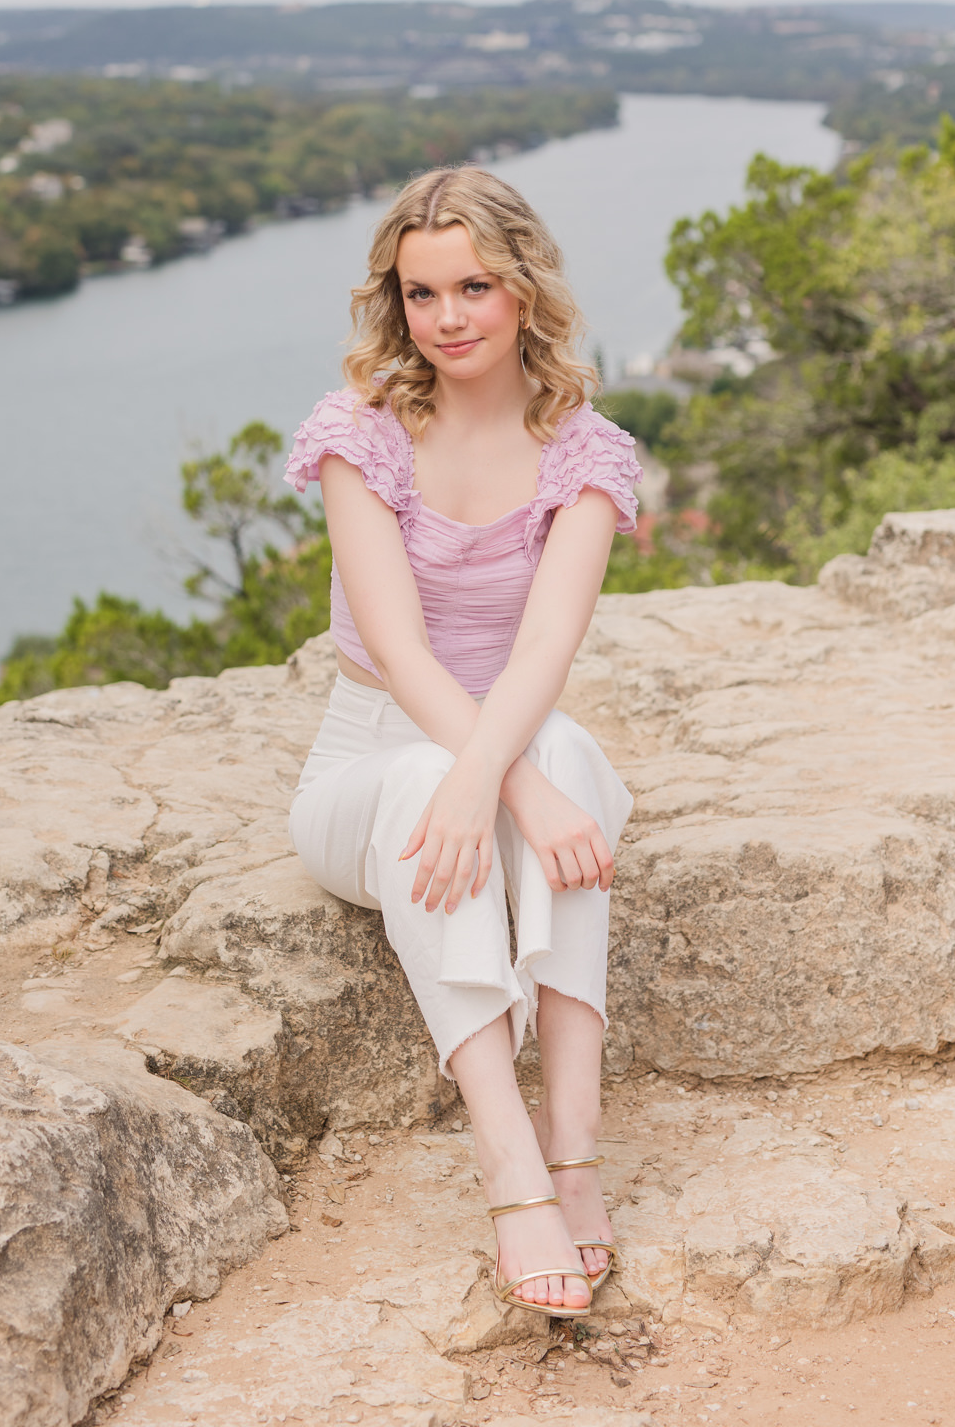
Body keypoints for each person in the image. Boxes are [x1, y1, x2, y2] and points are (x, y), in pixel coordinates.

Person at [285, 165, 641, 1316]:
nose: (447, 318)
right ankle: (507, 1158)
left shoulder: (583, 449)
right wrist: (488, 777)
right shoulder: (362, 436)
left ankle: (572, 1148)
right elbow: (395, 647)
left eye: (474, 286)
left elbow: (543, 653)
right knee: (463, 772)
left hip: (506, 741)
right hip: (372, 761)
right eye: (422, 291)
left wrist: (511, 781)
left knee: (571, 762)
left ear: (524, 288)